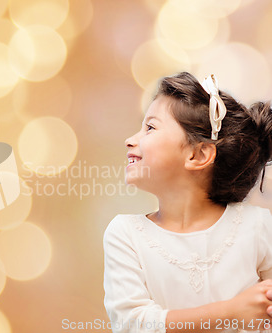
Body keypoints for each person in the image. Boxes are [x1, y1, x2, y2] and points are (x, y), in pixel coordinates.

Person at [103, 72, 272, 333]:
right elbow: (132, 324)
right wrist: (232, 312)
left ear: (198, 154)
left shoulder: (259, 227)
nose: (130, 140)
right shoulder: (125, 235)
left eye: (150, 128)